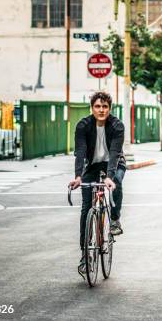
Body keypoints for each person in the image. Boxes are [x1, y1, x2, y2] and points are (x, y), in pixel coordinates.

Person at [68, 91, 126, 276]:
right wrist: (78, 176)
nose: (101, 110)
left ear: (110, 108)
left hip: (114, 164)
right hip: (92, 165)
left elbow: (115, 152)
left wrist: (109, 176)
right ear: (92, 108)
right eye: (97, 106)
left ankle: (115, 219)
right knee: (86, 207)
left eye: (105, 107)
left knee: (116, 180)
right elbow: (80, 151)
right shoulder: (83, 125)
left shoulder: (117, 126)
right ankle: (85, 255)